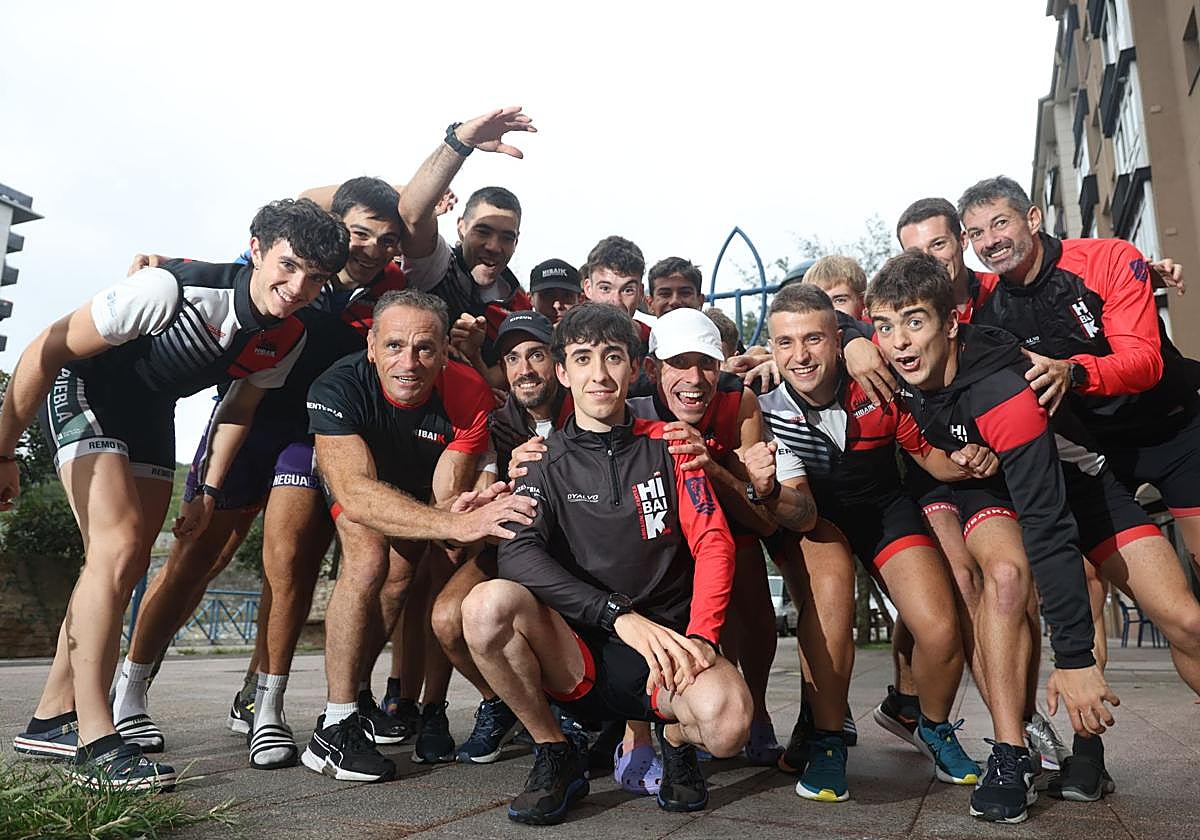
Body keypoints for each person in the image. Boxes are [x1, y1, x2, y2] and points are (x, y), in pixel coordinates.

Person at [4, 199, 348, 789]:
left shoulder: (287, 333)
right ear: (257, 249)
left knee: (129, 560)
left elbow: (239, 406)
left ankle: (49, 717)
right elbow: (46, 347)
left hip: (150, 412)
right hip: (87, 389)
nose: (297, 288)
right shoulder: (170, 290)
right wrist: (4, 450)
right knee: (115, 549)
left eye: (315, 278)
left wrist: (207, 488)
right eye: (288, 267)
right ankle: (96, 741)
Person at [107, 178, 414, 770]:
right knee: (198, 558)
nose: (372, 248)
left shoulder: (391, 292)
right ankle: (131, 688)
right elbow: (287, 211)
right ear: (333, 226)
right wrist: (165, 263)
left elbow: (414, 235)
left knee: (290, 563)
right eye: (360, 233)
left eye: (387, 238)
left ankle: (265, 705)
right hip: (244, 419)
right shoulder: (290, 260)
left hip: (314, 435)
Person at [460, 303, 752, 825]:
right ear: (562, 371)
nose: (599, 374)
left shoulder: (670, 445)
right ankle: (555, 750)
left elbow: (713, 542)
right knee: (485, 605)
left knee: (729, 726)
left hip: (665, 652)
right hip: (577, 653)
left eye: (613, 357)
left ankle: (675, 738)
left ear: (635, 368)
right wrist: (616, 614)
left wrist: (703, 636)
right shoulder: (540, 460)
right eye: (583, 358)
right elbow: (519, 554)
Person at [958, 175, 1200, 798]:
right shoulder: (983, 298)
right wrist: (856, 348)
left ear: (1033, 218)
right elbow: (909, 313)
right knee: (1088, 590)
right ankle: (1088, 752)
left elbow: (1144, 361)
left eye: (1001, 224)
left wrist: (1074, 370)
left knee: (1189, 622)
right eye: (976, 233)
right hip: (1093, 458)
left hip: (1177, 431)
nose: (990, 241)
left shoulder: (1107, 258)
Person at [867, 249, 1121, 823]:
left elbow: (1048, 524)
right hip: (938, 477)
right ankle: (1010, 744)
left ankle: (1013, 751)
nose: (900, 342)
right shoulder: (879, 357)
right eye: (886, 326)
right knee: (962, 578)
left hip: (1001, 482)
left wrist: (1076, 657)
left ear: (950, 322)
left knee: (1007, 577)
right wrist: (855, 338)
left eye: (915, 321)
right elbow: (816, 330)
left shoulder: (1003, 393)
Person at [758, 283, 988, 801]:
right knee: (831, 618)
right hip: (814, 520)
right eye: (786, 343)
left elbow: (932, 457)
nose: (800, 355)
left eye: (813, 339)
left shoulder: (876, 381)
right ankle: (828, 738)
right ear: (770, 348)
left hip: (885, 510)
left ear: (838, 341)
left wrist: (975, 459)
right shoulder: (763, 403)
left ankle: (931, 724)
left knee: (940, 627)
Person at [299, 289, 535, 783]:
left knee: (401, 579)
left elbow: (447, 495)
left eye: (425, 348)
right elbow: (357, 494)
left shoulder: (467, 391)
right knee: (366, 560)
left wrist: (465, 510)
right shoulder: (336, 385)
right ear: (371, 346)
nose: (409, 362)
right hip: (358, 476)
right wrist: (453, 523)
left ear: (445, 349)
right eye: (394, 346)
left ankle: (357, 695)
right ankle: (335, 725)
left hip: (415, 483)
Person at [629, 307, 816, 774]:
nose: (695, 377)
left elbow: (762, 515)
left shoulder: (739, 401)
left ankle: (757, 707)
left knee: (749, 576)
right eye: (680, 363)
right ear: (653, 369)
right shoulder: (633, 404)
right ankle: (637, 726)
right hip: (662, 523)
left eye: (707, 363)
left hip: (728, 515)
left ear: (722, 364)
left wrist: (717, 467)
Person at [428, 310, 576, 765]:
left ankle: (577, 709)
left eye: (537, 355)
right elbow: (482, 494)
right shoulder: (498, 421)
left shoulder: (585, 404)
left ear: (560, 363)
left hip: (576, 546)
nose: (525, 369)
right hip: (513, 545)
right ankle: (502, 701)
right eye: (513, 358)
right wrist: (480, 507)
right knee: (447, 617)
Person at [398, 107, 537, 392]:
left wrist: (474, 355)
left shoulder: (515, 301)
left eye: (506, 237)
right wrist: (460, 142)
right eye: (483, 232)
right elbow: (412, 213)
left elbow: (505, 380)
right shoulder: (436, 265)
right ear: (461, 226)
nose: (494, 247)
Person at [799, 256, 867, 319]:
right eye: (819, 302)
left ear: (862, 303)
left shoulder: (874, 331)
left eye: (839, 300)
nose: (830, 309)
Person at [528, 259, 581, 325]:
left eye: (567, 295)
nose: (557, 305)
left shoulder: (594, 332)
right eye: (547, 295)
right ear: (531, 299)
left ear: (579, 299)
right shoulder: (516, 333)